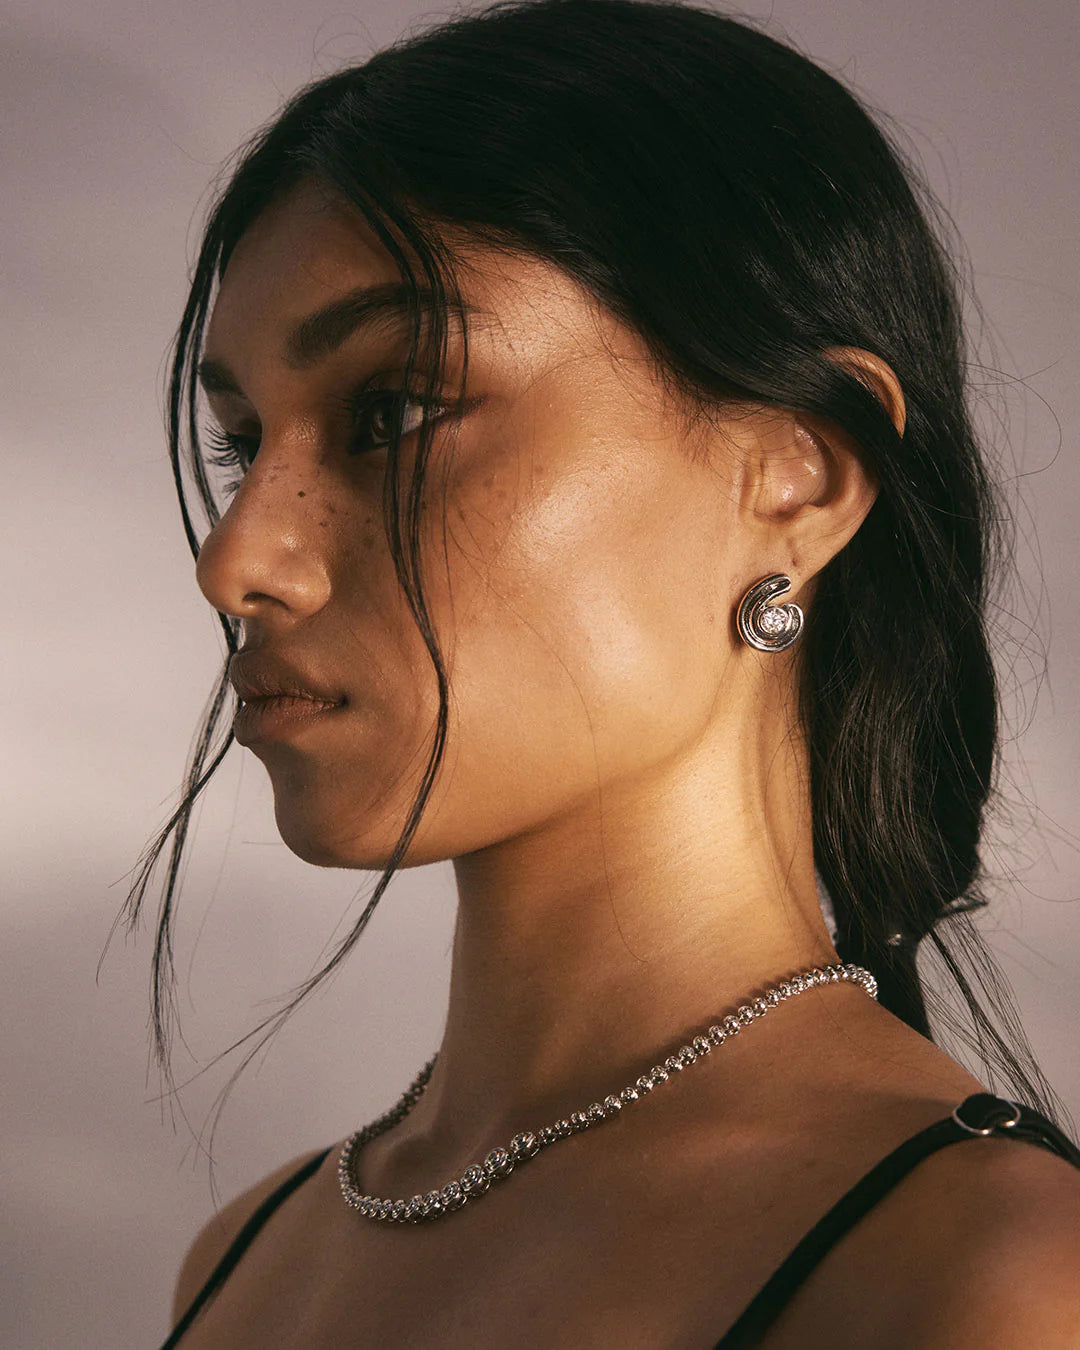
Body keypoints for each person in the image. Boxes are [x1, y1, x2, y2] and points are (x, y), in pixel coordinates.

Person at [127, 0, 1080, 1344]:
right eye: (240, 444)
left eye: (389, 412)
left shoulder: (991, 1280)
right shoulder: (244, 1261)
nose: (238, 558)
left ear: (794, 478)